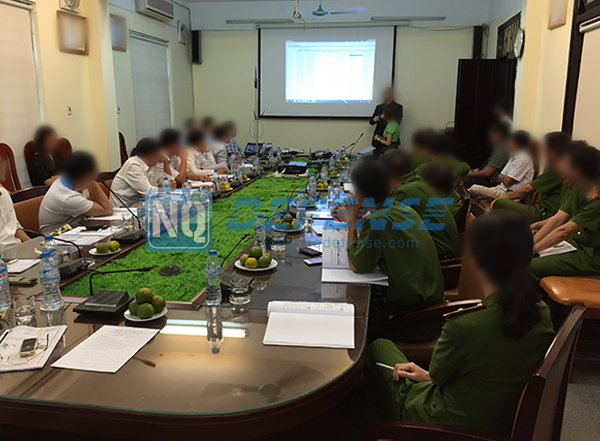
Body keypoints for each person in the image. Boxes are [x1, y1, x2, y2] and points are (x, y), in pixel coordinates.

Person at [364, 210, 554, 436]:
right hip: (497, 419)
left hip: (446, 422)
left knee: (379, 347)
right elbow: (439, 375)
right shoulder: (543, 314)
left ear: (474, 257)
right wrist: (428, 375)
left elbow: (439, 374)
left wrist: (430, 375)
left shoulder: (467, 324)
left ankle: (379, 428)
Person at [345, 160, 444, 342]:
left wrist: (352, 219)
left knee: (350, 322)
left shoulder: (377, 222)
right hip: (431, 310)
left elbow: (355, 265)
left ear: (360, 195)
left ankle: (366, 363)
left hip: (411, 321)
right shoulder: (403, 208)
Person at [529, 142, 600, 280]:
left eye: (563, 162)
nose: (557, 165)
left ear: (579, 169)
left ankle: (534, 301)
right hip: (575, 243)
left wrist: (530, 251)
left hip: (592, 255)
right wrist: (531, 245)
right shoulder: (577, 185)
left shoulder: (597, 195)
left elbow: (565, 230)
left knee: (529, 266)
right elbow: (558, 219)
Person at [382, 150, 460, 260]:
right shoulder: (415, 182)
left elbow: (382, 227)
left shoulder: (404, 192)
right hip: (444, 246)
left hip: (440, 252)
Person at [493, 132, 571, 223]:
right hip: (545, 210)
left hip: (543, 212)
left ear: (553, 150)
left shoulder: (558, 169)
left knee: (499, 203)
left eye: (545, 149)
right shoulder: (557, 166)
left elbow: (525, 189)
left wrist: (501, 199)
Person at [39, 152, 114, 235]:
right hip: (57, 238)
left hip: (75, 229)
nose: (98, 169)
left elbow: (90, 212)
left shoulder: (72, 179)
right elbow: (108, 210)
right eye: (95, 169)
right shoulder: (68, 197)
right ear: (86, 176)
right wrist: (95, 185)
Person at [469, 130, 534, 204]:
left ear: (515, 143)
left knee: (474, 188)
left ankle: (454, 203)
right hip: (500, 188)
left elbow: (507, 182)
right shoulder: (513, 155)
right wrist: (505, 178)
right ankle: (459, 206)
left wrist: (505, 178)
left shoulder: (523, 159)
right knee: (476, 200)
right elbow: (499, 177)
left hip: (509, 194)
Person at [111, 138, 173, 209]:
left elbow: (167, 182)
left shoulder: (152, 165)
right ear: (150, 155)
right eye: (159, 153)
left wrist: (166, 163)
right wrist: (166, 188)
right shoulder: (133, 165)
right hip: (124, 210)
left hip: (140, 206)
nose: (161, 155)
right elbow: (148, 192)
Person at [463, 121, 511, 189]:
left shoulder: (502, 149)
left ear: (497, 134)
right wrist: (471, 171)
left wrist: (469, 175)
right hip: (487, 179)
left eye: (491, 133)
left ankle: (451, 199)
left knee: (464, 182)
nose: (490, 136)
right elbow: (486, 167)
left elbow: (487, 173)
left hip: (491, 182)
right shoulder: (501, 146)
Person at [0, 156, 30, 251]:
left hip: (18, 250)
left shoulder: (4, 193)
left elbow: (15, 228)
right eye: (1, 163)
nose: (5, 167)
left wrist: (34, 247)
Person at [369, 87, 403, 155]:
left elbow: (397, 122)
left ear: (391, 94)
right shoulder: (379, 107)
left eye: (385, 94)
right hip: (378, 139)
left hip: (390, 141)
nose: (383, 96)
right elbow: (371, 122)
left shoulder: (398, 107)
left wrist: (385, 118)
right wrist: (374, 119)